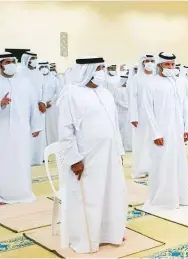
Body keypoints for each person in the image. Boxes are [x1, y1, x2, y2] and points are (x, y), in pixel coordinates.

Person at [58, 56, 127, 254]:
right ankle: (87, 239)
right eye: (97, 67)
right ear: (85, 70)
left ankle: (110, 233)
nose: (101, 71)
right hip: (86, 158)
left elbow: (115, 126)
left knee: (113, 194)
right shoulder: (71, 94)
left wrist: (119, 151)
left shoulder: (105, 93)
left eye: (103, 67)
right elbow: (65, 130)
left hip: (110, 154)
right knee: (89, 198)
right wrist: (74, 159)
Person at [142, 52, 188, 209]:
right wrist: (156, 133)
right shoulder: (151, 83)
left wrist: (187, 128)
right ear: (160, 66)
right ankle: (163, 199)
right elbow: (147, 110)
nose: (171, 67)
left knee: (178, 163)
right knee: (162, 164)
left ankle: (180, 197)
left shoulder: (180, 82)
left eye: (173, 64)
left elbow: (186, 105)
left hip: (178, 131)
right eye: (168, 65)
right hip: (161, 132)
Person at [0, 52, 42, 205]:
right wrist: (1, 104)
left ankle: (21, 192)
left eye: (12, 61)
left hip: (22, 131)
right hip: (2, 131)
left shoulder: (24, 82)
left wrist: (36, 125)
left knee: (21, 160)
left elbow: (33, 105)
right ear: (0, 65)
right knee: (3, 161)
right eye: (7, 62)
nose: (10, 64)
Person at [128, 54, 155, 179]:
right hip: (141, 115)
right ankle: (139, 170)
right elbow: (132, 98)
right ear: (142, 63)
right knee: (141, 142)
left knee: (154, 142)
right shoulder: (136, 79)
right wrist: (134, 116)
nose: (149, 63)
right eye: (147, 61)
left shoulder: (156, 78)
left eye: (152, 61)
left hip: (156, 115)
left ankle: (152, 167)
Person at [20, 51, 46, 165]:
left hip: (39, 108)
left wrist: (43, 102)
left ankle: (38, 158)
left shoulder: (39, 73)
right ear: (26, 59)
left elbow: (44, 88)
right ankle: (27, 159)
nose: (34, 60)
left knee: (38, 134)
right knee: (27, 133)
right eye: (32, 58)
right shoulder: (20, 72)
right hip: (25, 108)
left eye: (36, 58)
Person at [39, 61, 61, 146]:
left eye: (45, 66)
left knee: (52, 128)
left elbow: (58, 92)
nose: (44, 69)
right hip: (40, 108)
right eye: (41, 67)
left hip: (52, 108)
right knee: (42, 129)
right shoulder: (37, 80)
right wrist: (42, 103)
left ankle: (53, 148)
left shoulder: (54, 80)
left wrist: (50, 102)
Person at [113, 75, 132, 152]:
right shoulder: (117, 90)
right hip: (121, 113)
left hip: (129, 114)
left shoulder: (130, 90)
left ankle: (129, 146)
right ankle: (122, 147)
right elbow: (117, 101)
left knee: (128, 130)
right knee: (122, 130)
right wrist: (128, 106)